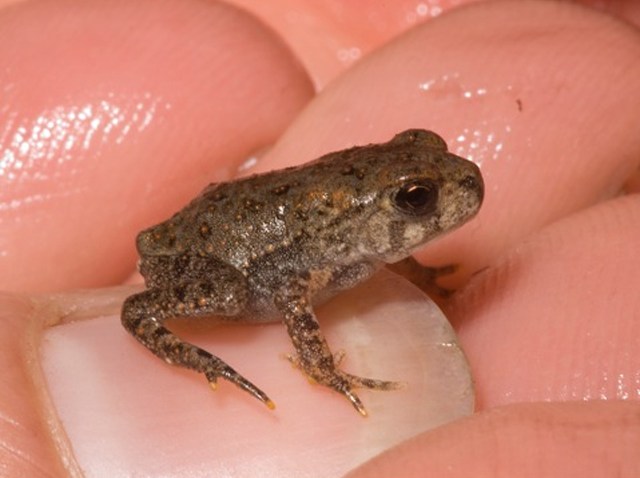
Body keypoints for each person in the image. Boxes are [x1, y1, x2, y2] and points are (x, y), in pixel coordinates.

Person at [0, 0, 638, 476]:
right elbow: (290, 295)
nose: (456, 191)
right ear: (375, 214)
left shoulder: (356, 238)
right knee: (188, 299)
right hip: (209, 258)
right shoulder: (331, 247)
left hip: (263, 230)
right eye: (418, 200)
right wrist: (321, 367)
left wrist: (414, 271)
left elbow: (353, 256)